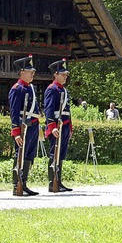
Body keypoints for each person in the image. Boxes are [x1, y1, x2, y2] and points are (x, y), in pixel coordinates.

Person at [9, 55, 40, 196]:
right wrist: (16, 131)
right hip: (23, 126)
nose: (32, 73)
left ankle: (24, 183)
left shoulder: (31, 88)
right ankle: (17, 185)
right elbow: (14, 112)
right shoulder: (17, 88)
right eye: (29, 71)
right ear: (21, 72)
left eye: (33, 71)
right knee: (20, 154)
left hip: (33, 125)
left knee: (29, 154)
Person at [44, 58, 72, 192]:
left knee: (61, 154)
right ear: (55, 74)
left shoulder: (63, 90)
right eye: (63, 74)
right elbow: (48, 109)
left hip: (64, 125)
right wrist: (52, 126)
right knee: (54, 153)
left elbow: (67, 111)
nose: (65, 76)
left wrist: (70, 128)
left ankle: (58, 181)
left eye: (66, 74)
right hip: (56, 126)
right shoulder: (52, 89)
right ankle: (52, 182)